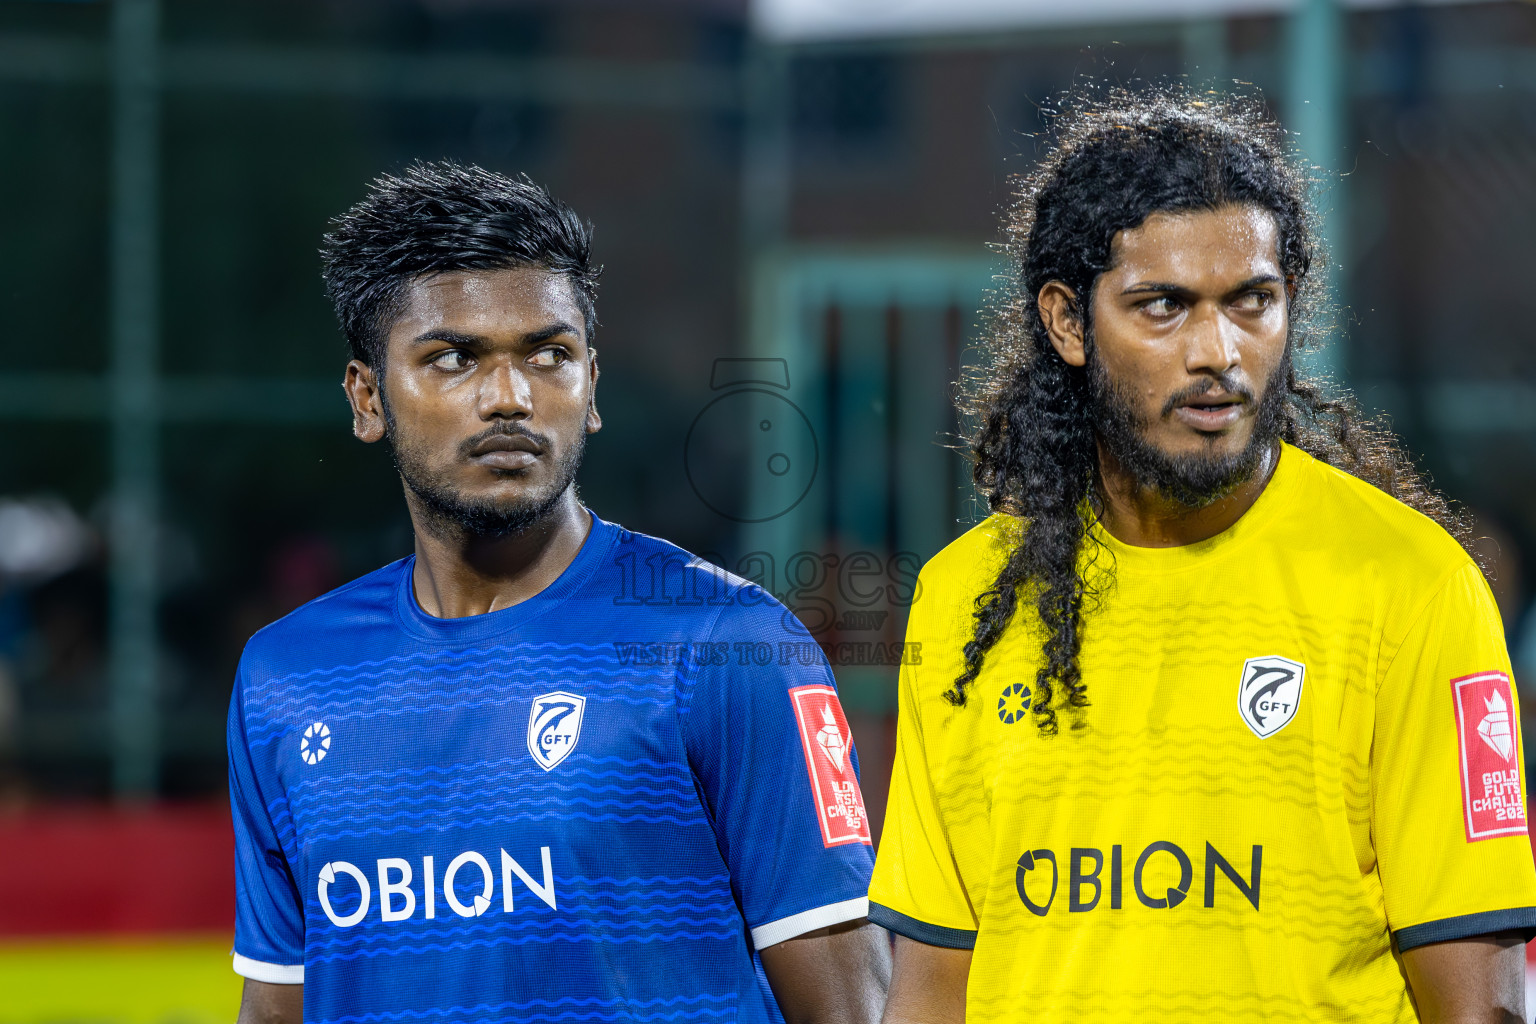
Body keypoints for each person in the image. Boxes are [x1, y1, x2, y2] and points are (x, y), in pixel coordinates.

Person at [870, 91, 1536, 1023]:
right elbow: (931, 990)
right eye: (1163, 306)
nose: (1217, 352)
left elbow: (1482, 1007)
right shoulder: (964, 597)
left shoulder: (1413, 587)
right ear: (1067, 323)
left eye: (1252, 302)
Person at [228, 161, 889, 1024]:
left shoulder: (722, 643)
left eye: (549, 355)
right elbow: (278, 1008)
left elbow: (853, 1013)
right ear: (367, 398)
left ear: (592, 385)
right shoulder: (287, 676)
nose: (510, 398)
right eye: (454, 358)